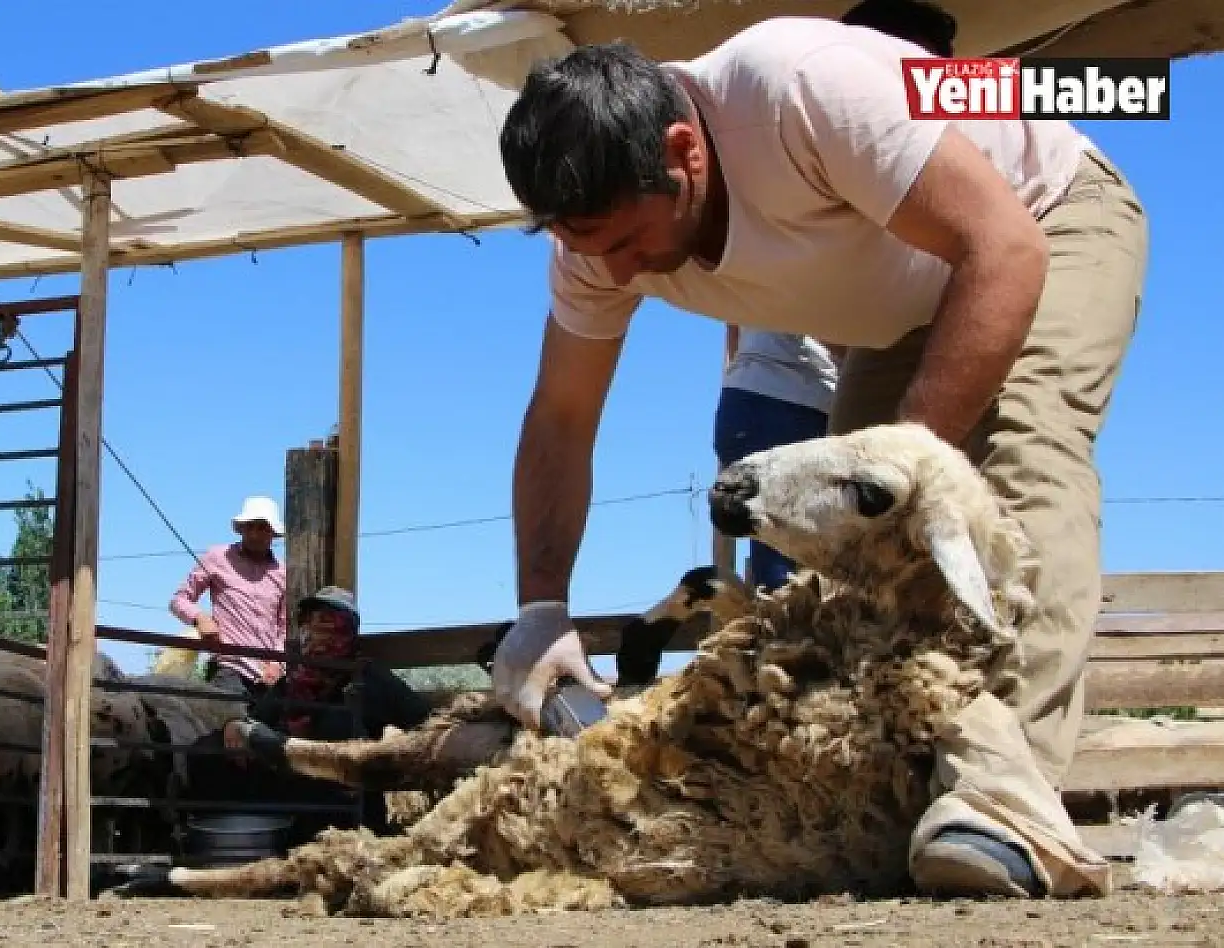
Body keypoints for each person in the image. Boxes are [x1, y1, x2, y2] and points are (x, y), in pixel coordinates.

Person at [490, 15, 1145, 901]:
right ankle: (886, 798)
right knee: (845, 569)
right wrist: (540, 608)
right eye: (587, 247)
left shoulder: (803, 90)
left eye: (627, 242)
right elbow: (562, 418)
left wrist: (910, 464)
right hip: (897, 310)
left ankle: (1006, 801)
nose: (616, 268)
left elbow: (1004, 249)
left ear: (684, 151)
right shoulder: (595, 249)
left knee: (1020, 462)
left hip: (1043, 224)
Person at [708, 2, 953, 597]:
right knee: (806, 581)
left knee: (786, 574)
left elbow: (740, 324)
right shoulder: (846, 152)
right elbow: (833, 315)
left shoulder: (782, 159)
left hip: (753, 395)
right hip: (797, 400)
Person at [188, 586, 432, 841]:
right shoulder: (293, 682)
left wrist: (384, 763)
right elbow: (256, 721)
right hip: (287, 792)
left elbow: (425, 722)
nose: (316, 637)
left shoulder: (369, 679)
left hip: (340, 805)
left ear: (347, 632)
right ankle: (213, 839)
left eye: (328, 627)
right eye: (310, 626)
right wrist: (234, 724)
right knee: (207, 751)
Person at [712, 327, 837, 592]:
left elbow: (734, 336)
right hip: (799, 399)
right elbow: (837, 337)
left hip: (739, 400)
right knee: (809, 553)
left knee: (769, 542)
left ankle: (773, 621)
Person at [168, 495, 290, 698]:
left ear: (272, 532)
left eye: (262, 527)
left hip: (267, 676)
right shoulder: (218, 557)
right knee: (232, 722)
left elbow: (285, 626)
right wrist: (200, 618)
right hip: (228, 669)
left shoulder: (283, 573)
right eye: (249, 527)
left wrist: (277, 663)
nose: (254, 534)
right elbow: (179, 599)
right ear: (241, 529)